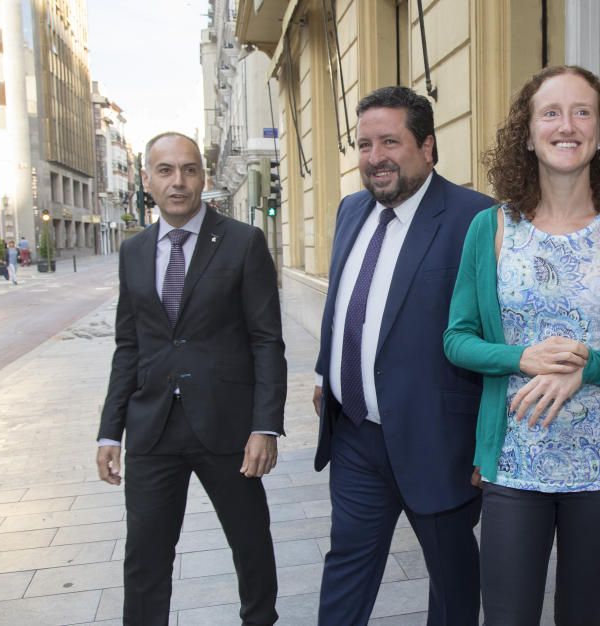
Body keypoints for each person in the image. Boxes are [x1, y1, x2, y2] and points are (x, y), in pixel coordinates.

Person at [443, 65, 600, 625]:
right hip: (516, 462)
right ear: (527, 133)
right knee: (506, 615)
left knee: (580, 615)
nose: (566, 125)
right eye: (550, 112)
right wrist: (519, 357)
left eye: (582, 112)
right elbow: (457, 339)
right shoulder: (493, 229)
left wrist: (590, 367)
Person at [313, 86, 494, 626]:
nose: (375, 158)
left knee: (453, 581)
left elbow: (494, 333)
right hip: (356, 437)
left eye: (390, 142)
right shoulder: (351, 210)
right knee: (346, 564)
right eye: (365, 145)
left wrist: (489, 440)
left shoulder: (476, 219)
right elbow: (346, 300)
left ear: (428, 147)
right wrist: (329, 371)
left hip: (438, 441)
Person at [95, 132, 286, 625]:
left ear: (203, 176)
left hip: (227, 428)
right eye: (165, 171)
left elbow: (267, 340)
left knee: (250, 544)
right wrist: (109, 430)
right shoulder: (133, 252)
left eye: (188, 169)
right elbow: (128, 345)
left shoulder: (244, 242)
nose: (177, 181)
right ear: (146, 180)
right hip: (152, 428)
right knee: (144, 557)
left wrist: (265, 426)